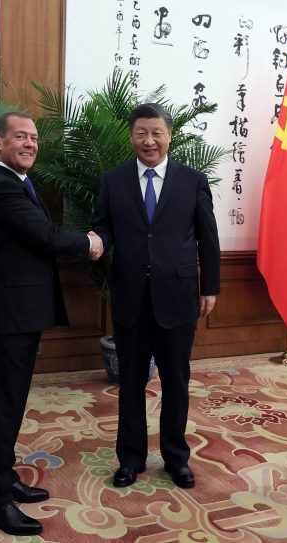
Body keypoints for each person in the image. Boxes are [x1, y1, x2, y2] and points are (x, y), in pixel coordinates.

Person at [0, 111, 103, 536]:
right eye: (19, 137)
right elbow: (45, 235)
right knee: (1, 409)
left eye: (33, 138)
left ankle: (5, 479)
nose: (29, 143)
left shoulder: (16, 183)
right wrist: (88, 243)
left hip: (18, 315)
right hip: (5, 316)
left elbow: (40, 233)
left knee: (11, 404)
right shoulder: (0, 188)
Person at [92, 103, 220, 490]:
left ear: (169, 136)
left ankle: (176, 459)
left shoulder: (192, 180)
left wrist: (210, 286)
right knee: (130, 383)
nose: (149, 140)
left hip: (178, 297)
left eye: (156, 133)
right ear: (131, 136)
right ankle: (130, 459)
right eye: (141, 133)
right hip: (131, 296)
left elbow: (207, 237)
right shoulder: (113, 180)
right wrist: (97, 240)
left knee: (176, 382)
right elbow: (104, 226)